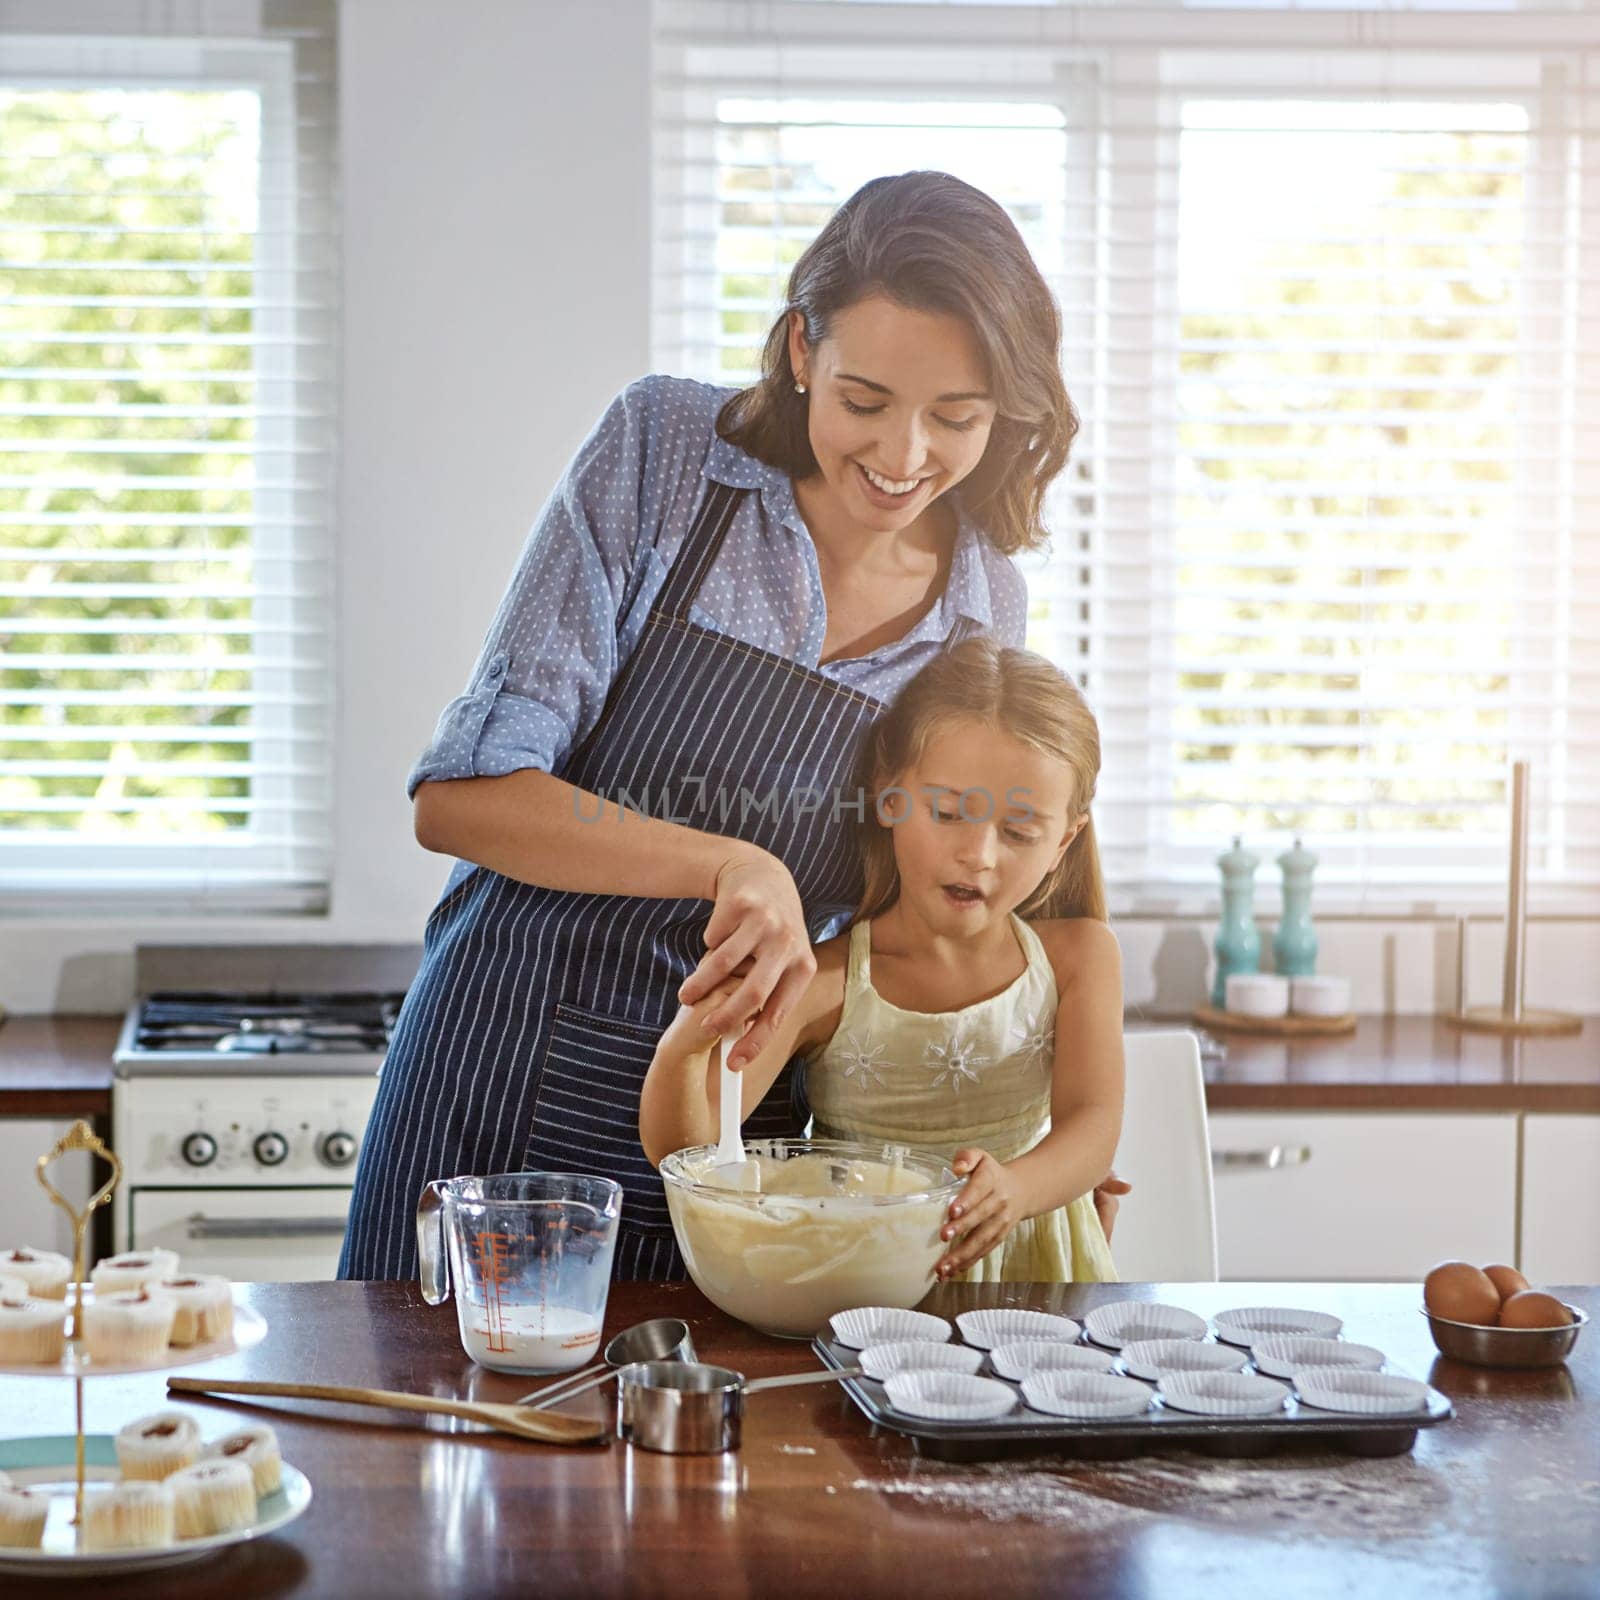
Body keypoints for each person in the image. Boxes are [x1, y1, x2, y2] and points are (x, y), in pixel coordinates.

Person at [339, 171, 1080, 1282]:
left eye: (956, 417)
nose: (903, 456)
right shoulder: (669, 458)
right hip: (501, 1057)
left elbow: (913, 917)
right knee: (428, 1433)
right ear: (798, 350)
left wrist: (1020, 1129)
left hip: (733, 1122)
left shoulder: (982, 604)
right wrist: (730, 862)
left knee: (693, 1447)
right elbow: (461, 799)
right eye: (864, 400)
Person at [641, 638, 1124, 1283]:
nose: (978, 853)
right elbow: (690, 1151)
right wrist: (687, 1041)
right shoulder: (827, 980)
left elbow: (1094, 1127)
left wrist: (1018, 1189)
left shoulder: (1079, 956)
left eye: (1019, 833)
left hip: (1037, 1277)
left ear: (1063, 840)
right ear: (890, 796)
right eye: (949, 813)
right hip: (869, 1283)